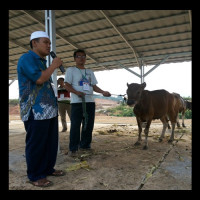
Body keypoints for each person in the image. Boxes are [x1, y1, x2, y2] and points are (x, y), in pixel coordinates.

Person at [17, 31, 65, 187]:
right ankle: (35, 175)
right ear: (34, 43)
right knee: (36, 144)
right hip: (35, 110)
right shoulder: (26, 58)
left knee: (50, 143)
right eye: (45, 42)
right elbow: (39, 79)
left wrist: (49, 66)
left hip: (49, 110)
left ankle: (47, 168)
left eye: (49, 43)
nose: (49, 45)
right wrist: (54, 65)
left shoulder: (42, 61)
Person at [64, 49, 111, 156]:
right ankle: (73, 148)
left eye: (83, 56)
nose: (81, 58)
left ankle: (85, 145)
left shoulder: (90, 72)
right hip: (77, 102)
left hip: (89, 102)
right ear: (75, 59)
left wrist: (103, 92)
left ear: (85, 58)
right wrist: (76, 92)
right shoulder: (71, 70)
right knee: (76, 125)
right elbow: (66, 85)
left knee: (88, 125)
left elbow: (93, 86)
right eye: (78, 56)